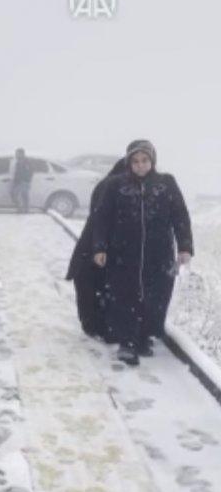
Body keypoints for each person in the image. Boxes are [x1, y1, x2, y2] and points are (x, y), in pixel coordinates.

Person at [92, 140, 193, 366]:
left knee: (155, 297)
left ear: (152, 161)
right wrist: (99, 247)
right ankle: (126, 342)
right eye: (135, 161)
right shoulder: (116, 185)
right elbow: (102, 219)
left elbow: (180, 216)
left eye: (144, 160)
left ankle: (144, 336)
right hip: (123, 253)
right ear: (129, 162)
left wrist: (185, 247)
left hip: (159, 254)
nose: (140, 165)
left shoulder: (166, 183)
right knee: (124, 296)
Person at [65, 158, 126, 342]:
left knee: (90, 287)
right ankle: (98, 327)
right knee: (94, 286)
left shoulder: (107, 184)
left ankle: (94, 325)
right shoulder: (112, 187)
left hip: (92, 245)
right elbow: (103, 217)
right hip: (98, 246)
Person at [11, 148, 33, 213]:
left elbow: (31, 171)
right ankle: (20, 208)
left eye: (17, 153)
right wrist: (15, 180)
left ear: (22, 154)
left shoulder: (27, 161)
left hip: (24, 182)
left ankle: (26, 209)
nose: (16, 155)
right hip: (17, 182)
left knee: (24, 195)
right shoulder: (17, 162)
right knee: (13, 194)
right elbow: (16, 172)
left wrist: (26, 179)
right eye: (16, 153)